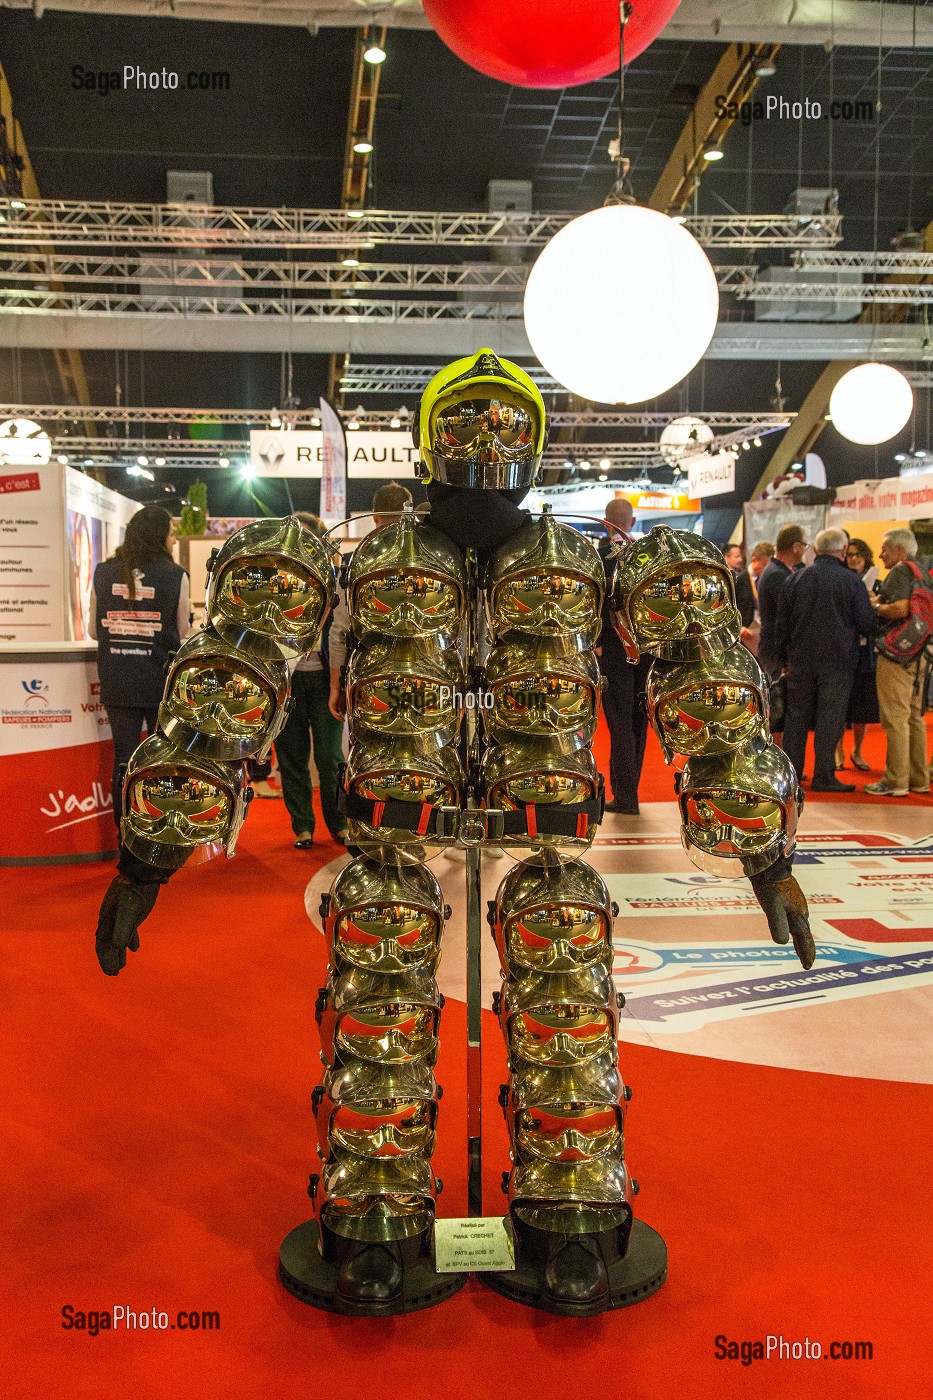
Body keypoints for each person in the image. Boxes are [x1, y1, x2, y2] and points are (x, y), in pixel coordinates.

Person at [90, 504, 190, 830]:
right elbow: (184, 633)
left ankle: (125, 832)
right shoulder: (176, 576)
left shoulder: (103, 572)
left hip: (117, 677)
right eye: (172, 534)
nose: (175, 541)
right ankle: (157, 831)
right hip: (159, 681)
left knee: (124, 760)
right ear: (160, 536)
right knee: (161, 761)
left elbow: (94, 630)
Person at [775, 526, 875, 792]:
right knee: (830, 718)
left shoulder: (795, 579)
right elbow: (866, 623)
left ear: (816, 550)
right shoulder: (852, 582)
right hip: (838, 661)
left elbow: (781, 626)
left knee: (796, 717)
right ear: (842, 551)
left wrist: (783, 657)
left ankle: (793, 775)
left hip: (799, 660)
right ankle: (824, 775)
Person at [276, 511, 347, 849]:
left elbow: (342, 631)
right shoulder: (277, 581)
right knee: (291, 757)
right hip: (286, 682)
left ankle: (339, 824)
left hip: (324, 679)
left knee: (330, 757)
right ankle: (302, 827)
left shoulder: (336, 580)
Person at [328, 482, 413, 723]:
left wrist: (336, 687)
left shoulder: (352, 563)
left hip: (369, 675)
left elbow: (340, 631)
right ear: (409, 515)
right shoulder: (427, 561)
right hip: (422, 676)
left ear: (375, 517)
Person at [865, 528, 931, 797]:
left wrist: (875, 606)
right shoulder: (923, 571)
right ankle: (918, 779)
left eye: (885, 549)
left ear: (899, 551)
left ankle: (895, 781)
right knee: (914, 717)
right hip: (921, 653)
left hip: (897, 655)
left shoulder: (900, 572)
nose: (880, 554)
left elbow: (901, 609)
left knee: (895, 719)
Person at [597, 497, 651, 815]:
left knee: (618, 723)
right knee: (638, 721)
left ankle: (625, 795)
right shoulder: (645, 557)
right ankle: (630, 791)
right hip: (645, 648)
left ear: (606, 523)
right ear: (632, 522)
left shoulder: (600, 557)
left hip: (615, 649)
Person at [836, 538, 880, 771]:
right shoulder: (841, 580)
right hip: (843, 649)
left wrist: (875, 602)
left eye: (858, 554)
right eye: (850, 554)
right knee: (841, 704)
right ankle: (838, 752)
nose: (853, 558)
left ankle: (858, 751)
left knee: (862, 706)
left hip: (867, 652)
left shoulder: (877, 582)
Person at [757, 524, 808, 678]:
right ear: (796, 547)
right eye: (804, 545)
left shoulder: (778, 570)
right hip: (775, 652)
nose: (805, 550)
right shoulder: (777, 574)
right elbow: (788, 614)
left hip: (774, 649)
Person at [723, 543, 756, 630]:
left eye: (740, 556)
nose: (740, 559)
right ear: (726, 557)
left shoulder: (743, 574)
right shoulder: (721, 578)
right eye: (737, 557)